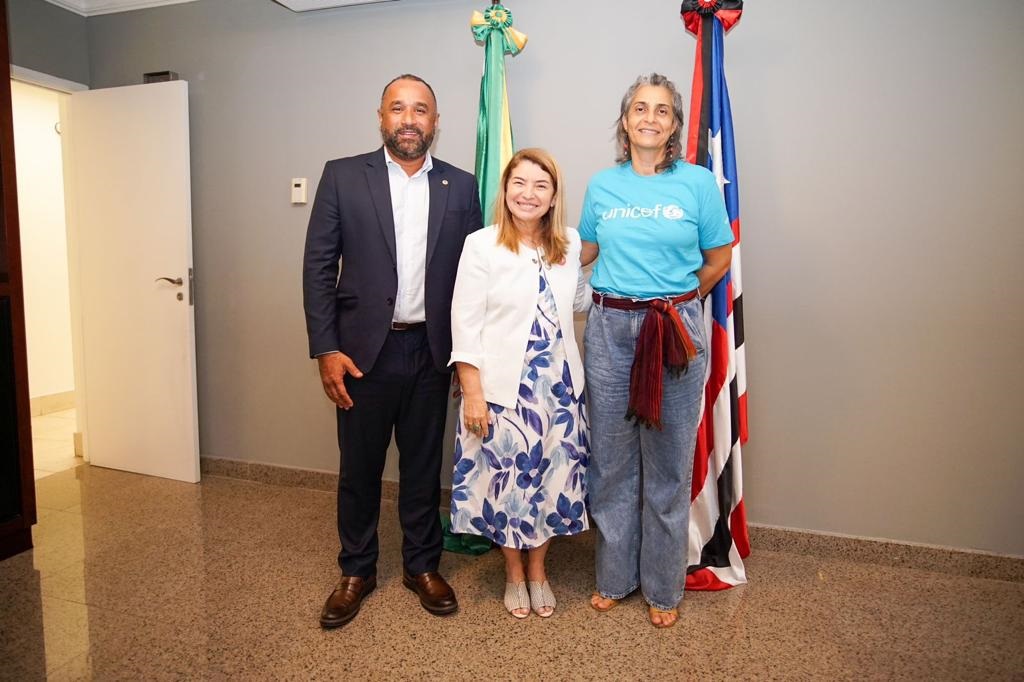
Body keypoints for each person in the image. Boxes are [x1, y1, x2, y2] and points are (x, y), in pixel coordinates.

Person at [303, 74, 483, 629]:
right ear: (381, 118)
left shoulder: (461, 185)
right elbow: (317, 267)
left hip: (431, 353)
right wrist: (325, 348)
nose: (409, 119)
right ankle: (356, 570)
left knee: (424, 468)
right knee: (359, 469)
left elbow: (472, 279)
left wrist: (466, 356)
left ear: (435, 121)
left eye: (420, 110)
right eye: (398, 109)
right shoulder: (342, 177)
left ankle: (422, 566)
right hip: (361, 355)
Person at [579, 73, 733, 628]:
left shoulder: (696, 185)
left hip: (675, 334)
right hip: (610, 331)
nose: (649, 117)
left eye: (662, 111)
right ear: (625, 121)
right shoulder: (602, 186)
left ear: (674, 126)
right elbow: (583, 252)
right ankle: (615, 578)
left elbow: (718, 257)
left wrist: (682, 301)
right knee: (613, 464)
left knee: (668, 464)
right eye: (639, 108)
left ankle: (663, 588)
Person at [449, 148, 590, 618]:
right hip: (503, 390)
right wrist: (472, 391)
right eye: (519, 183)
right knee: (504, 484)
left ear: (553, 197)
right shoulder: (481, 244)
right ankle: (513, 573)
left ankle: (539, 572)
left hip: (560, 389)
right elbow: (464, 321)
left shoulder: (569, 244)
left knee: (553, 479)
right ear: (505, 191)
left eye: (540, 186)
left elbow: (583, 300)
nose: (528, 194)